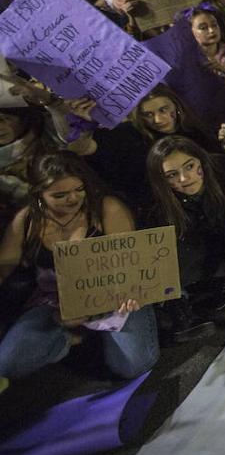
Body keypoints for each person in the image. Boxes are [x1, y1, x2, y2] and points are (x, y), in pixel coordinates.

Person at [0, 153, 159, 382]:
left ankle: (94, 335)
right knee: (7, 364)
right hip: (55, 302)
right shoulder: (27, 219)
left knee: (133, 365)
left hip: (114, 296)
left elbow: (130, 265)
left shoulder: (107, 208)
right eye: (60, 195)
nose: (73, 198)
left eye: (79, 189)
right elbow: (4, 267)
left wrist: (119, 297)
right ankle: (72, 338)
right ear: (39, 194)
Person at [146, 136, 225, 341]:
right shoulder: (160, 204)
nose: (185, 178)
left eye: (190, 166)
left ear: (201, 161)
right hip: (209, 245)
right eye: (172, 175)